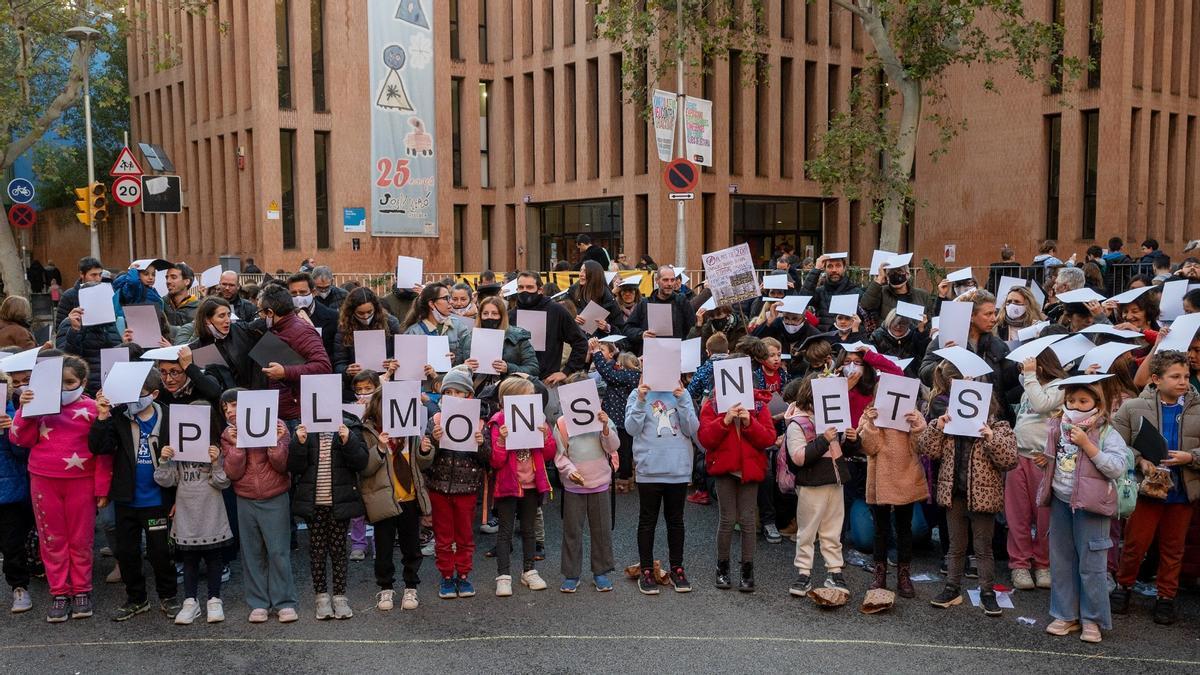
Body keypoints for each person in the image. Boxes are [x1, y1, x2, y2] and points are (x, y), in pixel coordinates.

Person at [13, 354, 110, 622]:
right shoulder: (39, 406)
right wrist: (24, 411)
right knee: (51, 538)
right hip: (43, 480)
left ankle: (82, 589)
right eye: (59, 382)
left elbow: (103, 453)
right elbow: (20, 439)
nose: (64, 388)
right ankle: (59, 591)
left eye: (70, 382)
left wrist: (102, 488)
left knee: (80, 538)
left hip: (82, 482)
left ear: (82, 382)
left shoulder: (92, 409)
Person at [1110, 350, 1199, 626]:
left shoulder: (1198, 407)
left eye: (1186, 376)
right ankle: (1123, 587)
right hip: (1146, 490)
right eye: (1175, 376)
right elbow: (1115, 443)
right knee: (1136, 544)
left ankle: (1166, 597)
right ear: (1156, 379)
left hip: (1182, 491)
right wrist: (1140, 461)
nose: (1183, 381)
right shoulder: (1133, 407)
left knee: (1174, 548)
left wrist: (1192, 457)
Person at [1037, 377, 1127, 644]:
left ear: (1096, 403)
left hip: (1092, 505)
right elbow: (1055, 458)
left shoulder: (1108, 431)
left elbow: (1116, 467)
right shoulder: (1058, 425)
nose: (1075, 405)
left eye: (1083, 401)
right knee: (1062, 560)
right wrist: (1045, 462)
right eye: (1071, 400)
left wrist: (1088, 445)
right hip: (1062, 500)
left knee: (1092, 564)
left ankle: (1092, 619)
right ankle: (1065, 614)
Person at [918, 381, 1018, 616]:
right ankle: (952, 588)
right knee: (955, 546)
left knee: (983, 548)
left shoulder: (999, 427)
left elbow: (1010, 460)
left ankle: (987, 592)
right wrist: (937, 426)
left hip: (983, 498)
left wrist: (990, 437)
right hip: (954, 494)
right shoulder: (951, 427)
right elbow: (927, 449)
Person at [90, 371, 182, 621]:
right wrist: (102, 416)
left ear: (154, 394)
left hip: (157, 500)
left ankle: (168, 596)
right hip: (127, 500)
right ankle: (136, 599)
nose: (133, 401)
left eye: (139, 395)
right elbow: (99, 447)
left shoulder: (171, 417)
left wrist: (176, 498)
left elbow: (183, 461)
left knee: (160, 552)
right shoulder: (119, 416)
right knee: (127, 553)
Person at [220, 389, 298, 623]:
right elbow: (232, 472)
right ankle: (258, 603)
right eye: (225, 408)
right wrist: (237, 446)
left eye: (233, 405)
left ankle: (284, 602)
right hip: (245, 497)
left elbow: (283, 465)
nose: (230, 411)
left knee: (278, 551)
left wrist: (277, 441)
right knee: (252, 553)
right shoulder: (228, 434)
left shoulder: (276, 424)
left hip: (275, 496)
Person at [289, 411, 368, 620]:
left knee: (339, 550)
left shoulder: (349, 424)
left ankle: (340, 597)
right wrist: (299, 442)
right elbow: (294, 467)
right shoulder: (305, 425)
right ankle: (321, 598)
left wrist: (348, 439)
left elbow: (361, 462)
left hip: (339, 503)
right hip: (313, 503)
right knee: (317, 552)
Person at [785, 374, 858, 598]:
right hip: (812, 483)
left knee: (833, 530)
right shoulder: (798, 423)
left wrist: (854, 440)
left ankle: (834, 570)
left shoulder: (835, 419)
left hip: (835, 481)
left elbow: (846, 451)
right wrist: (824, 440)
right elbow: (798, 457)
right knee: (807, 530)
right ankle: (804, 572)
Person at [698, 382, 775, 592]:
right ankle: (722, 568)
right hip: (724, 469)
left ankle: (747, 570)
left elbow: (768, 438)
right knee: (727, 519)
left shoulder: (758, 406)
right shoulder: (713, 405)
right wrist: (724, 421)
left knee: (748, 519)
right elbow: (705, 438)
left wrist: (750, 422)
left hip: (749, 469)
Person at [416, 367, 486, 599]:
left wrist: (481, 444)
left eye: (460, 392)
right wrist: (432, 442)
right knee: (443, 537)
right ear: (443, 395)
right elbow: (425, 459)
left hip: (466, 489)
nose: (455, 397)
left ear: (469, 396)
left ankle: (464, 576)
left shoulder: (479, 424)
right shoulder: (434, 419)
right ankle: (447, 576)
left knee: (465, 536)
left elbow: (489, 460)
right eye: (450, 392)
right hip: (440, 487)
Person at [626, 377, 699, 595]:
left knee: (676, 521)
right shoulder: (636, 394)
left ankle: (677, 568)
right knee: (647, 521)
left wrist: (683, 397)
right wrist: (640, 399)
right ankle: (646, 569)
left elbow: (693, 428)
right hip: (650, 468)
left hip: (677, 469)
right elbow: (631, 428)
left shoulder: (681, 393)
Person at [358, 385, 428, 611]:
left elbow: (422, 465)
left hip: (409, 499)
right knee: (384, 548)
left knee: (412, 547)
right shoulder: (368, 433)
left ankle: (411, 586)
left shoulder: (411, 432)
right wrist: (379, 447)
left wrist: (426, 451)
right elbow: (365, 468)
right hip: (384, 501)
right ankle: (385, 588)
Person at [552, 373, 619, 593]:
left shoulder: (602, 418)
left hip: (599, 481)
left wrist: (605, 428)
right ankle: (571, 574)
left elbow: (613, 446)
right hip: (574, 486)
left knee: (601, 531)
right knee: (572, 530)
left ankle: (601, 572)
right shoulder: (562, 423)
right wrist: (570, 472)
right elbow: (560, 455)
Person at [1007, 348, 1068, 591]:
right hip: (1018, 455)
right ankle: (1019, 564)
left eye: (1031, 363)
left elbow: (1041, 404)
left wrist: (1031, 376)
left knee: (1044, 516)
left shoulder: (1060, 386)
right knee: (1017, 513)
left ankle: (1043, 564)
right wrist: (1029, 376)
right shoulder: (1031, 384)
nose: (1025, 368)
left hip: (1043, 460)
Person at [489, 377, 556, 597]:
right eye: (527, 396)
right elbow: (496, 462)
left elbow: (548, 455)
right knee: (505, 531)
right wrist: (501, 441)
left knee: (529, 530)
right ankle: (503, 575)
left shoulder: (539, 419)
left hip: (531, 485)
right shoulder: (499, 422)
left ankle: (529, 570)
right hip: (508, 485)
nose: (531, 401)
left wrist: (546, 436)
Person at [154, 438, 232, 625]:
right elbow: (165, 480)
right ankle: (190, 601)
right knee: (189, 559)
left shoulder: (214, 450)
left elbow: (223, 482)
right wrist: (164, 460)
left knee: (214, 558)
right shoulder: (178, 452)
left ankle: (214, 599)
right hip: (187, 512)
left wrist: (216, 462)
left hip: (211, 512)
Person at [858, 403, 928, 598]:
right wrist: (871, 423)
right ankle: (879, 572)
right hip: (880, 478)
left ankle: (904, 574)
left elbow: (921, 446)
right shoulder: (869, 414)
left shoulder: (912, 414)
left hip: (906, 476)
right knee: (880, 529)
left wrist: (917, 426)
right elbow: (869, 448)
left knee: (904, 528)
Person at [919, 290, 1020, 418]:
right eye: (988, 314)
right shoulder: (945, 340)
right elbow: (924, 374)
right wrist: (946, 361)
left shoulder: (997, 344)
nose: (994, 319)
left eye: (994, 313)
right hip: (954, 415)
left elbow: (1008, 382)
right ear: (971, 316)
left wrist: (1019, 369)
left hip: (992, 418)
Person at [255, 284, 333, 425]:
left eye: (260, 312)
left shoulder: (302, 331)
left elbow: (323, 367)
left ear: (270, 313)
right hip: (280, 411)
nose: (259, 317)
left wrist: (285, 372)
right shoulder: (277, 329)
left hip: (295, 417)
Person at [506, 272, 588, 384]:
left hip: (547, 382)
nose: (525, 291)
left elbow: (580, 342)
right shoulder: (510, 316)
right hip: (516, 383)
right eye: (521, 287)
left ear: (540, 290)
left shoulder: (556, 311)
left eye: (529, 287)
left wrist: (566, 371)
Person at [332, 287, 403, 400]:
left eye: (369, 312)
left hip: (386, 385)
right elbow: (339, 363)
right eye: (360, 313)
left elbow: (402, 355)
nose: (365, 316)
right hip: (358, 388)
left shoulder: (391, 322)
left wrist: (392, 361)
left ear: (376, 308)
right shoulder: (344, 328)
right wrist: (347, 370)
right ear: (352, 312)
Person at [590, 338, 641, 494]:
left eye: (619, 363)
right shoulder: (628, 375)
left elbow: (607, 373)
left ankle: (624, 479)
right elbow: (609, 371)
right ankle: (622, 477)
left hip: (621, 420)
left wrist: (597, 353)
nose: (616, 365)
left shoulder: (629, 375)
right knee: (619, 449)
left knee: (623, 450)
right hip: (618, 418)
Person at [0, 370, 32, 614]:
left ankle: (19, 587)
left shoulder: (10, 415)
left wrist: (11, 432)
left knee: (12, 545)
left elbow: (23, 454)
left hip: (9, 492)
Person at [458, 296, 540, 389]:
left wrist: (508, 368)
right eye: (485, 313)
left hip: (508, 390)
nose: (489, 317)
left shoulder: (518, 338)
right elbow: (455, 370)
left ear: (502, 316)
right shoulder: (467, 339)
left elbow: (533, 369)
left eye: (494, 313)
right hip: (475, 392)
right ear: (480, 316)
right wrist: (464, 367)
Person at [624, 265, 697, 351]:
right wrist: (641, 334)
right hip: (650, 353)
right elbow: (627, 329)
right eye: (665, 280)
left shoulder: (682, 302)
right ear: (657, 281)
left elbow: (692, 328)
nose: (669, 284)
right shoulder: (645, 303)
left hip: (675, 353)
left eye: (672, 280)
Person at [402, 282, 471, 366]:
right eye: (446, 298)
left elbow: (468, 357)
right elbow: (407, 365)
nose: (451, 302)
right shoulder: (413, 332)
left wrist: (456, 359)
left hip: (452, 378)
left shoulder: (459, 326)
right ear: (431, 304)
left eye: (450, 297)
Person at [801, 254, 863, 331]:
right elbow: (803, 300)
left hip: (848, 339)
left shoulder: (857, 292)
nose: (834, 270)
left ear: (844, 268)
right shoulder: (820, 292)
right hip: (824, 339)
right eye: (830, 266)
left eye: (838, 266)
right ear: (824, 269)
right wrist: (816, 269)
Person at [285, 273, 338, 360]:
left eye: (302, 292)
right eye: (293, 293)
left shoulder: (333, 317)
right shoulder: (283, 317)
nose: (298, 296)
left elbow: (335, 353)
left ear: (313, 292)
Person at [862, 261, 934, 324]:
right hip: (888, 337)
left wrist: (922, 329)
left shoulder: (922, 295)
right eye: (891, 273)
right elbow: (866, 305)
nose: (895, 275)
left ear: (907, 274)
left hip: (916, 337)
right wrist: (879, 279)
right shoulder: (881, 292)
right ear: (887, 276)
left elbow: (930, 320)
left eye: (899, 271)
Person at [569, 260, 625, 338]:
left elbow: (620, 328)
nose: (581, 274)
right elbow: (563, 314)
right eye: (580, 270)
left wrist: (607, 327)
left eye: (585, 271)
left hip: (601, 344)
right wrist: (572, 317)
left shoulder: (608, 298)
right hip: (578, 342)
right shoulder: (572, 292)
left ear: (595, 275)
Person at [869, 310, 929, 380]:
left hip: (911, 379)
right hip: (884, 377)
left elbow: (924, 354)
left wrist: (922, 332)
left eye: (903, 324)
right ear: (889, 322)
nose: (898, 327)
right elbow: (871, 359)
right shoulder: (877, 336)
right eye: (895, 323)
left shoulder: (916, 334)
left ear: (908, 324)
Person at [55, 256, 105, 320]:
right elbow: (60, 328)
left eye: (100, 274)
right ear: (81, 274)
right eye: (93, 275)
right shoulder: (68, 296)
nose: (98, 279)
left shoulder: (105, 294)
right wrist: (70, 322)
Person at [163, 262, 202, 327]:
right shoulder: (161, 303)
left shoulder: (199, 308)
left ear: (187, 281)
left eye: (173, 277)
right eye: (167, 278)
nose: (168, 281)